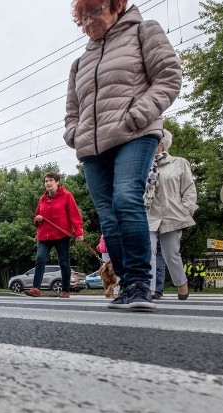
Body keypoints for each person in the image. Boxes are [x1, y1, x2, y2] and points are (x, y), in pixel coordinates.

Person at [65, 0, 181, 310]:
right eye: (83, 16)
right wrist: (73, 134)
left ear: (116, 6)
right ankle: (127, 284)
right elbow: (72, 110)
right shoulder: (79, 63)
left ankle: (141, 283)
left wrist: (137, 115)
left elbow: (169, 77)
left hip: (135, 133)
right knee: (107, 216)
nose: (89, 21)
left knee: (126, 198)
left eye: (96, 11)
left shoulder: (144, 31)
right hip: (92, 146)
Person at [145, 129, 196, 300]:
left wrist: (186, 209)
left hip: (172, 212)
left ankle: (182, 284)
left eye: (156, 142)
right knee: (148, 251)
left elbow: (189, 188)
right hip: (148, 213)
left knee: (171, 253)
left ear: (162, 144)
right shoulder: (143, 165)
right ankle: (150, 289)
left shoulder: (179, 162)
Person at [24, 172, 84, 299]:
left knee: (63, 262)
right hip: (44, 236)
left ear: (57, 182)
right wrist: (37, 219)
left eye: (50, 180)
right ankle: (36, 288)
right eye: (46, 181)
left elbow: (74, 215)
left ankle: (65, 290)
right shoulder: (42, 199)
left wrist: (79, 232)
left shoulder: (67, 196)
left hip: (61, 235)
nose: (48, 183)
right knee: (40, 259)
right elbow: (36, 216)